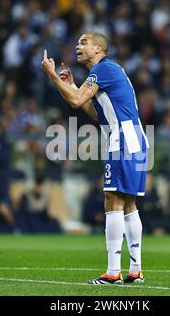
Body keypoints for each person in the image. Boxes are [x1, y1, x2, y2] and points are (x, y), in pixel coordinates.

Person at [41, 32, 149, 284]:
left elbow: (77, 102)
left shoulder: (103, 70)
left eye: (84, 42)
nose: (78, 46)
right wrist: (71, 85)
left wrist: (52, 76)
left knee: (112, 200)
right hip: (133, 138)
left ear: (99, 49)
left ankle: (113, 273)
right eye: (77, 42)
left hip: (123, 139)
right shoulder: (107, 72)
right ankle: (135, 270)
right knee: (128, 204)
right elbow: (93, 112)